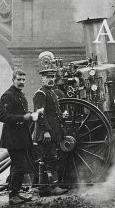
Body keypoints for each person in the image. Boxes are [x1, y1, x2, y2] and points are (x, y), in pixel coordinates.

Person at [0, 69, 34, 205]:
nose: (21, 82)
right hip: (12, 137)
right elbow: (2, 116)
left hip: (21, 136)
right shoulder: (8, 95)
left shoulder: (20, 95)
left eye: (23, 80)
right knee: (19, 165)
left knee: (17, 165)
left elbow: (21, 112)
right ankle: (13, 195)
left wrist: (30, 115)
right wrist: (23, 117)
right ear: (13, 80)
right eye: (19, 79)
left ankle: (15, 192)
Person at [32, 69, 68, 197]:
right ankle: (51, 188)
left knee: (49, 160)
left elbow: (53, 114)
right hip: (45, 134)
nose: (51, 79)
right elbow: (40, 115)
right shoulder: (41, 94)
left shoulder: (51, 93)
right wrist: (46, 131)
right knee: (50, 160)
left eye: (52, 76)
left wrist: (63, 116)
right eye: (47, 77)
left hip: (53, 133)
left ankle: (44, 189)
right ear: (42, 79)